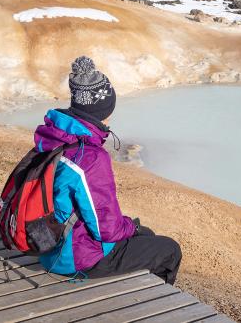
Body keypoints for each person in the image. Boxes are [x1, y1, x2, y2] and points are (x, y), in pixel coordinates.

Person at [34, 55, 182, 284]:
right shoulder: (90, 157)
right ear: (102, 108)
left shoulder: (54, 137)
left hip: (47, 243)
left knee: (146, 236)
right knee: (169, 250)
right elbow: (107, 230)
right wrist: (131, 226)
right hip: (74, 257)